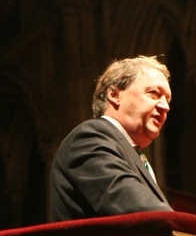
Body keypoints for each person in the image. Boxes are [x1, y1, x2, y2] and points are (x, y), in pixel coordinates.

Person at [49, 55, 174, 221]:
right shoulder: (89, 138)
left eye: (167, 99)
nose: (165, 107)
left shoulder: (131, 151)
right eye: (154, 94)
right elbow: (137, 208)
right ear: (115, 95)